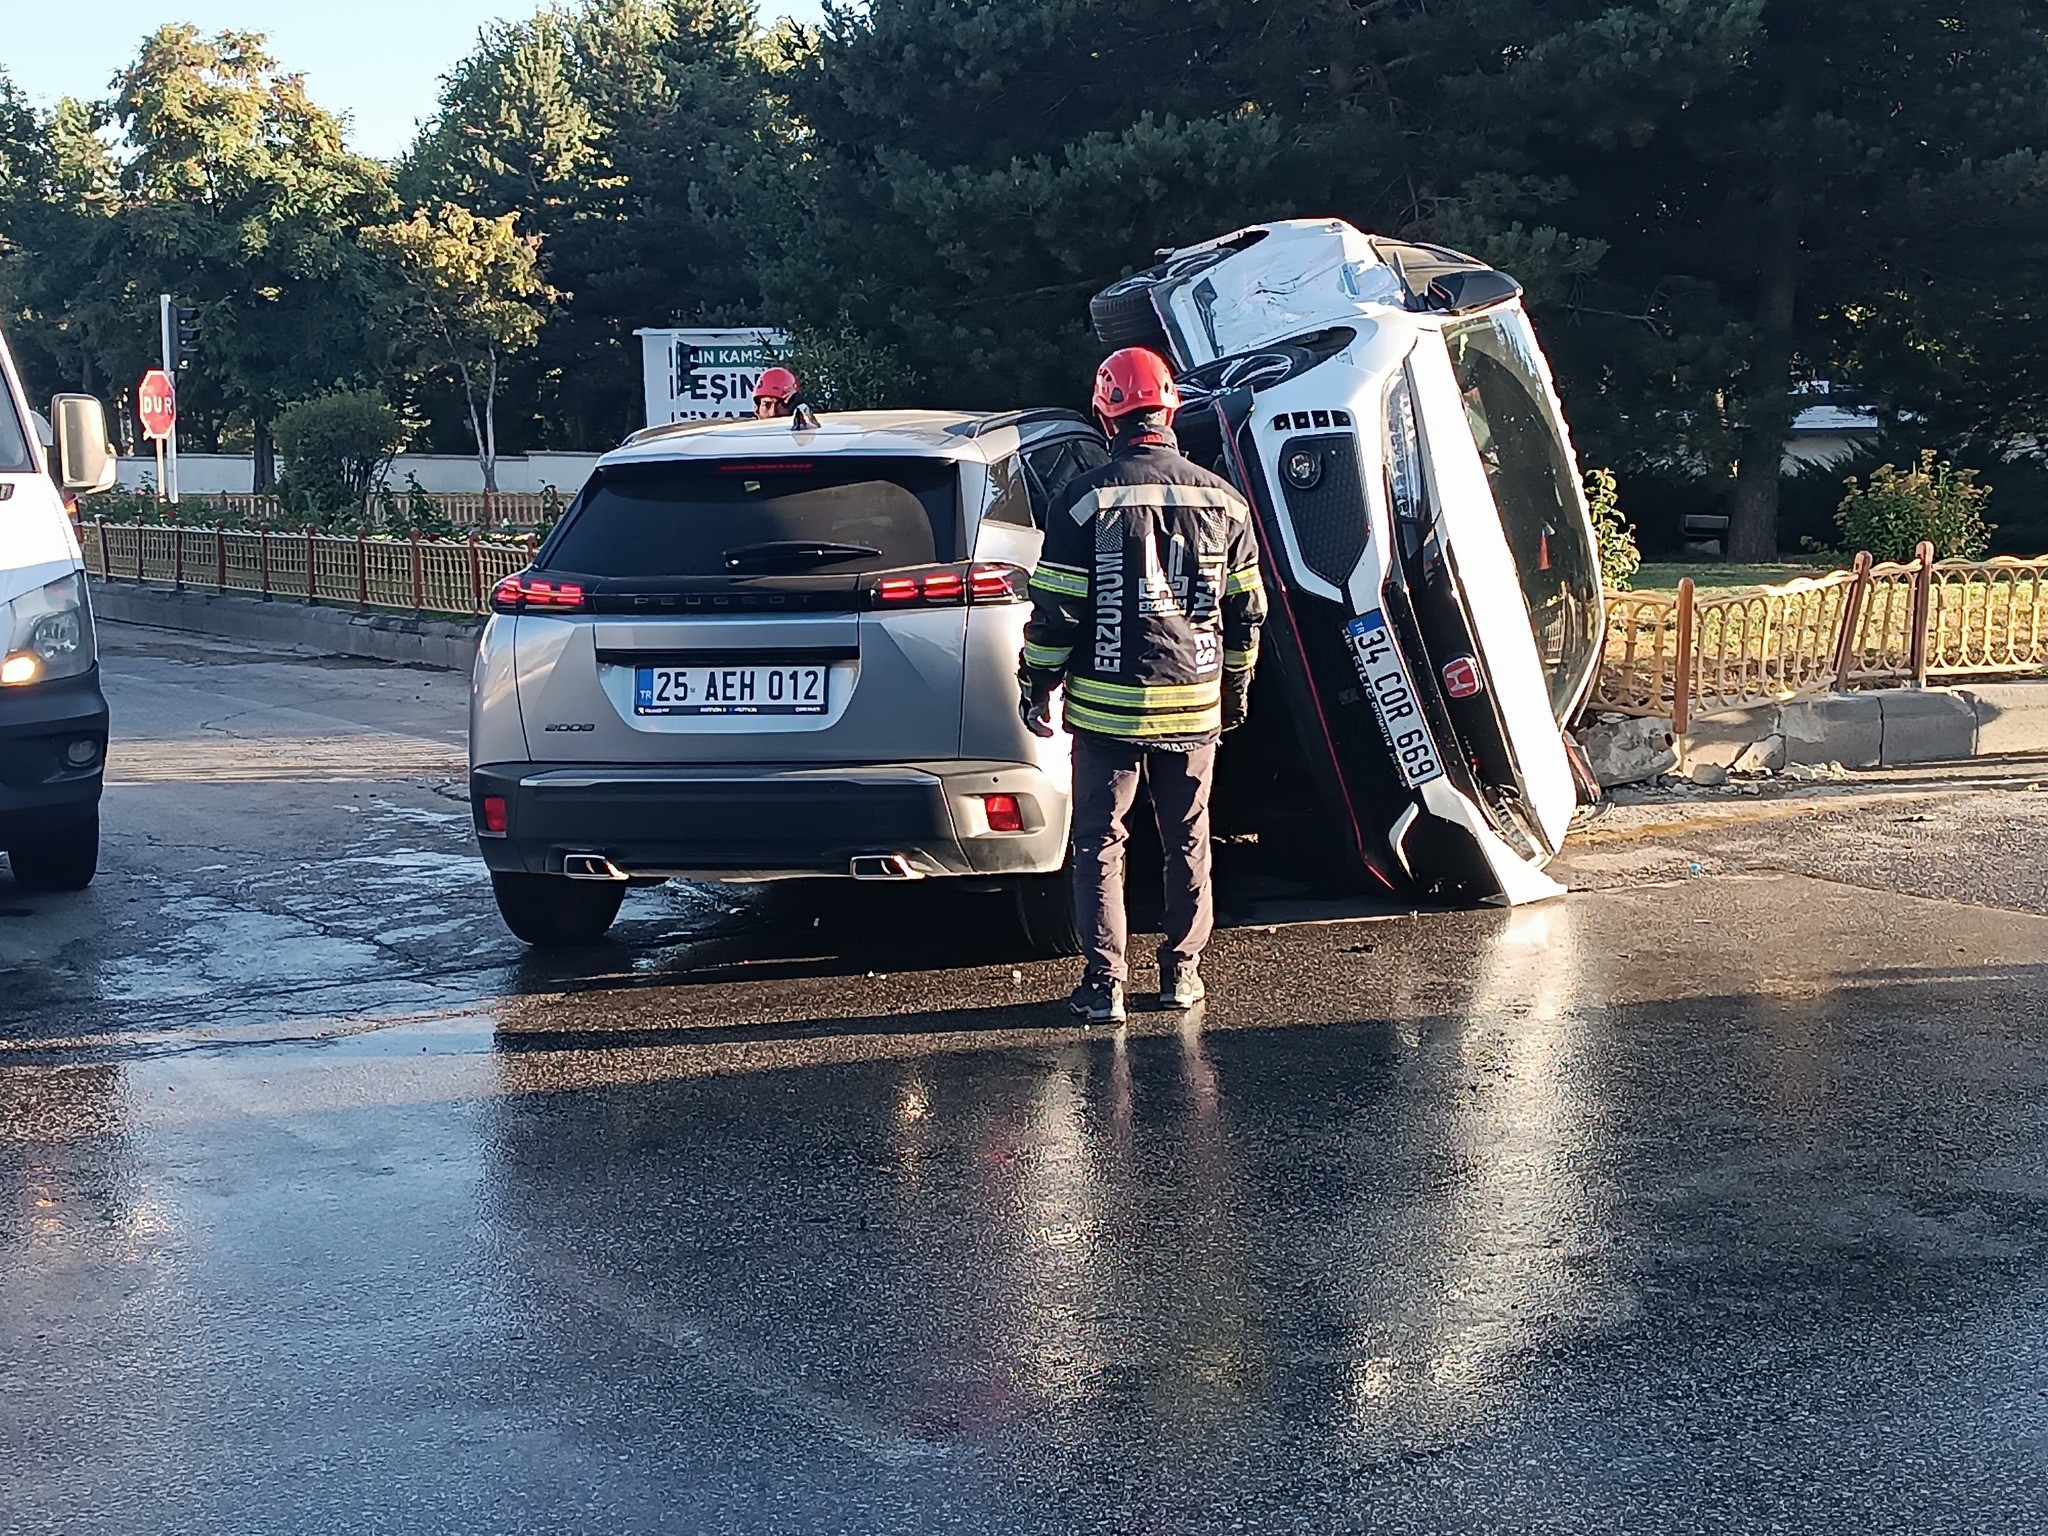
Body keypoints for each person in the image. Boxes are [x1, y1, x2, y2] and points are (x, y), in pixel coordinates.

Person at [1018, 346, 1266, 1024]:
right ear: (1170, 407)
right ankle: (1182, 975)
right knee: (1189, 835)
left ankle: (1104, 987)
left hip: (1104, 708)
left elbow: (1057, 611)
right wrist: (1236, 689)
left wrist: (1037, 682)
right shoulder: (1225, 501)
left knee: (1100, 841)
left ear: (1106, 415)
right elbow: (1246, 612)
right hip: (1194, 701)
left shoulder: (1082, 500)